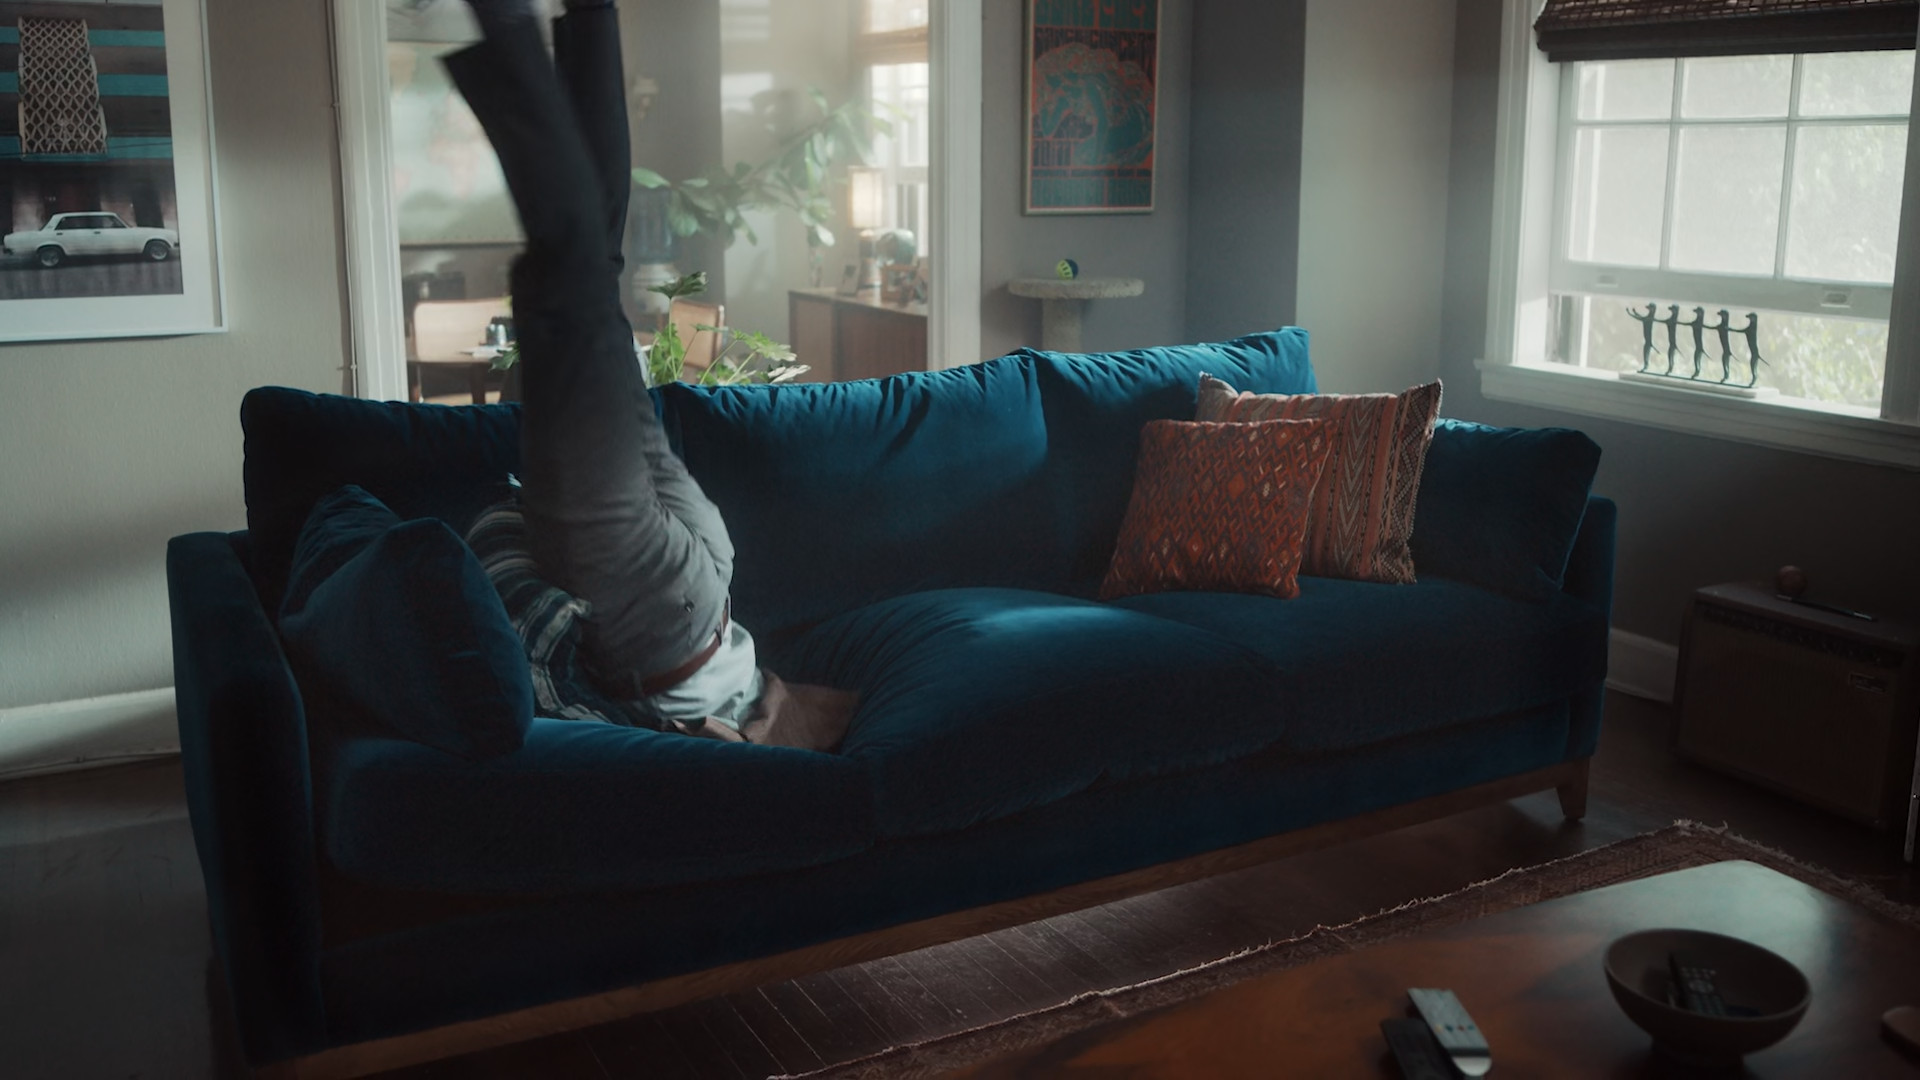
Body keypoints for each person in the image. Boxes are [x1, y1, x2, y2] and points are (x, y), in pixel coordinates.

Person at [444, 0, 856, 751]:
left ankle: (590, 20)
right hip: (657, 621)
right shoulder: (738, 756)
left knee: (589, 276)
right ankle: (505, 20)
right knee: (565, 270)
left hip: (706, 574)